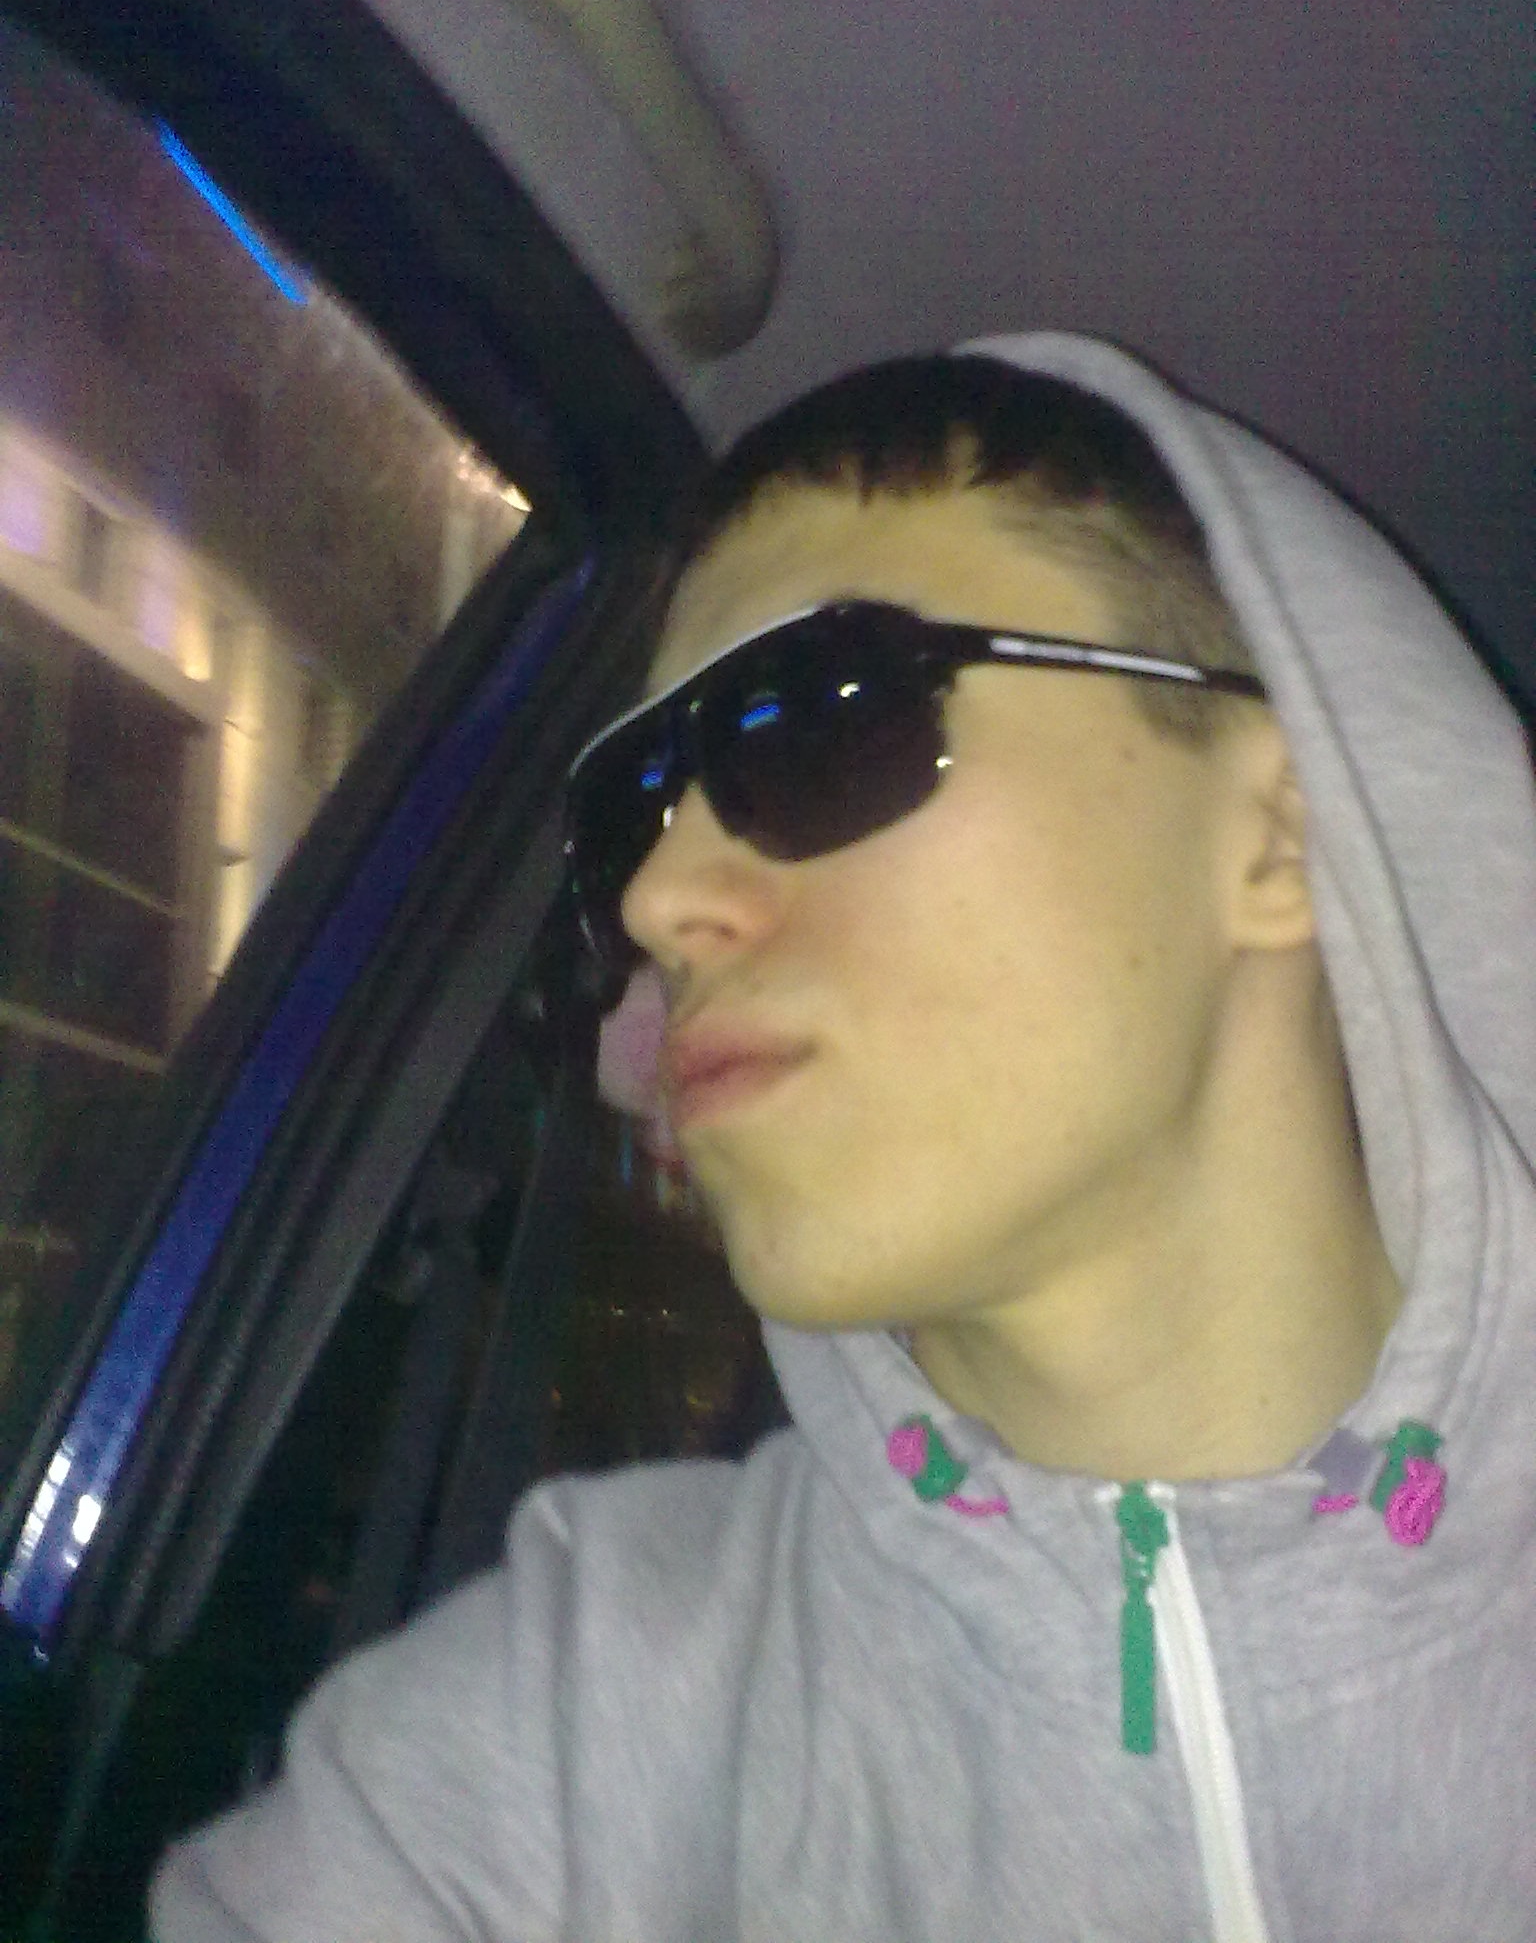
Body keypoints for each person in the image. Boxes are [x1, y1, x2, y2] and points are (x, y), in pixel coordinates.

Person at [151, 333, 1536, 1940]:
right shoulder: (582, 1719)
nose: (661, 898)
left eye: (815, 722)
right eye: (631, 810)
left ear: (1282, 839)